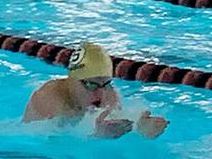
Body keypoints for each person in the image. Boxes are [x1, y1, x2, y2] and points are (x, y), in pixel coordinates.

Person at [23, 43, 168, 139]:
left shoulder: (109, 93)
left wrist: (141, 130)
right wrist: (98, 136)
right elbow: (48, 147)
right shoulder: (50, 98)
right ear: (73, 80)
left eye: (106, 84)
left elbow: (119, 124)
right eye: (91, 85)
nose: (100, 94)